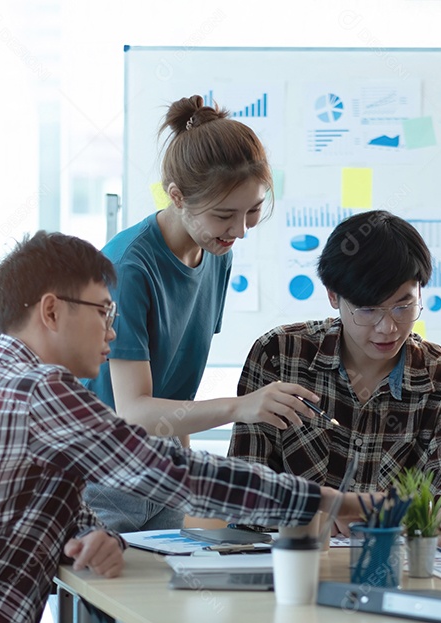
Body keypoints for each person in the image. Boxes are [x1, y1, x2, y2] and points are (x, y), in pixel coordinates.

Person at [0, 231, 366, 622]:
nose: (113, 332)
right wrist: (329, 501)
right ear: (52, 311)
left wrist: (103, 539)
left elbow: (60, 507)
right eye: (103, 312)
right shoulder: (40, 389)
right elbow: (171, 471)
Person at [82, 95, 320, 532]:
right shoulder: (128, 269)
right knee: (111, 598)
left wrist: (184, 475)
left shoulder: (216, 253)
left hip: (161, 467)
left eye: (252, 211)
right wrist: (241, 407)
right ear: (176, 196)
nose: (241, 230)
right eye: (224, 215)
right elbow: (133, 411)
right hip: (102, 478)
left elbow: (174, 394)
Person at [228, 210, 441, 555]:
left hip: (398, 575)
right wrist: (312, 510)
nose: (389, 328)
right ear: (333, 296)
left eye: (404, 306)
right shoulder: (280, 356)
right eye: (368, 310)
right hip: (294, 568)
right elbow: (244, 488)